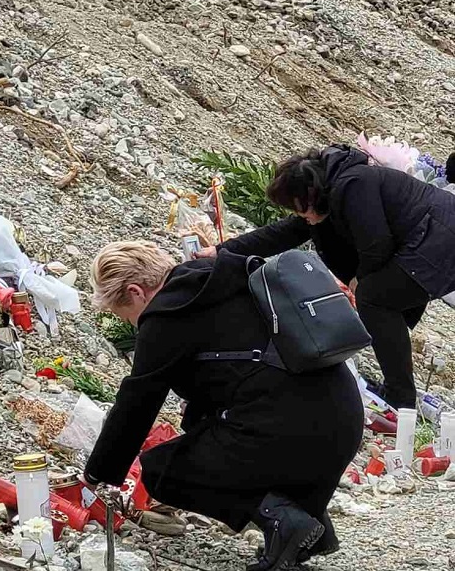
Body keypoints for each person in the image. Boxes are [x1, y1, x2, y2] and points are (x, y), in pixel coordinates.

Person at [82, 241, 363, 571]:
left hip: (293, 430)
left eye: (124, 314)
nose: (132, 324)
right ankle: (311, 524)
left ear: (136, 292)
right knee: (219, 432)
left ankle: (286, 522)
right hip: (343, 421)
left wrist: (98, 473)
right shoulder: (223, 278)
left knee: (162, 471)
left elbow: (137, 403)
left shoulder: (167, 313)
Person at [194, 144, 455, 409]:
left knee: (375, 298)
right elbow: (281, 234)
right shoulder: (328, 194)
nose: (300, 216)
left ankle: (400, 399)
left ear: (307, 192)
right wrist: (221, 251)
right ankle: (398, 389)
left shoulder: (353, 185)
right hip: (431, 238)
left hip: (440, 237)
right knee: (382, 302)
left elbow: (376, 245)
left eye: (298, 208)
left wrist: (359, 278)